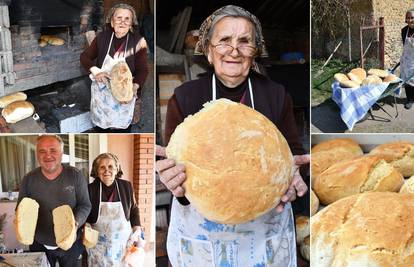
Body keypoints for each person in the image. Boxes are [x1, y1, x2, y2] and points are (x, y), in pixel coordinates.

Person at [155, 5, 309, 267]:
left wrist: (295, 178)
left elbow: (292, 156)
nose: (234, 51)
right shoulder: (186, 97)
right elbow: (176, 169)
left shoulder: (275, 94)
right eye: (224, 41)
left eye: (245, 42)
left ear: (255, 50)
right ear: (208, 50)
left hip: (264, 239)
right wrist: (172, 182)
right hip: (202, 240)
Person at [16, 135, 91, 267]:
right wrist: (19, 221)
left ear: (61, 154)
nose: (48, 156)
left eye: (53, 150)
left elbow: (85, 205)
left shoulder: (75, 175)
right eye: (42, 151)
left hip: (71, 243)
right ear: (37, 155)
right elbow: (20, 208)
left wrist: (75, 222)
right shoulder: (28, 179)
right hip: (39, 243)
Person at [80, 3, 149, 131]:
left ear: (131, 23)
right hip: (103, 93)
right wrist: (96, 71)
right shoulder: (102, 38)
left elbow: (143, 70)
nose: (122, 22)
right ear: (112, 22)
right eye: (119, 18)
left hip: (124, 91)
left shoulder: (138, 41)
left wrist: (135, 86)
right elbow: (85, 57)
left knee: (122, 129)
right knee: (101, 128)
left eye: (127, 19)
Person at [86, 153, 143, 266]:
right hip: (99, 245)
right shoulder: (90, 189)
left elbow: (134, 209)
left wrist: (137, 230)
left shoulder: (126, 186)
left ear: (117, 169)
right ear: (97, 171)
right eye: (102, 167)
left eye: (111, 166)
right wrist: (86, 227)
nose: (106, 170)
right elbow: (86, 213)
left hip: (122, 243)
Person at [401, 8, 414, 109]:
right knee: (407, 82)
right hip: (407, 60)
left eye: (412, 18)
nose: (410, 20)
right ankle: (409, 100)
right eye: (408, 18)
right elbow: (404, 45)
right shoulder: (404, 30)